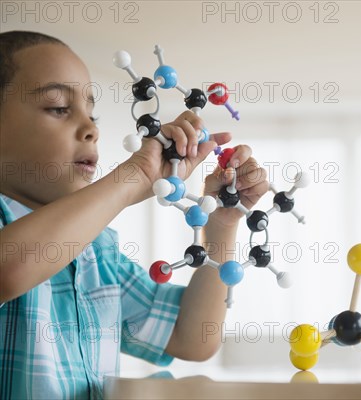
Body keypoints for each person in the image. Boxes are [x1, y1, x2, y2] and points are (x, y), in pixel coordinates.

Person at [0, 31, 268, 399]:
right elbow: (8, 268)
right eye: (59, 108)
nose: (91, 129)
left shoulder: (97, 251)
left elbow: (190, 337)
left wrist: (221, 226)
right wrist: (134, 177)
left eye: (92, 114)